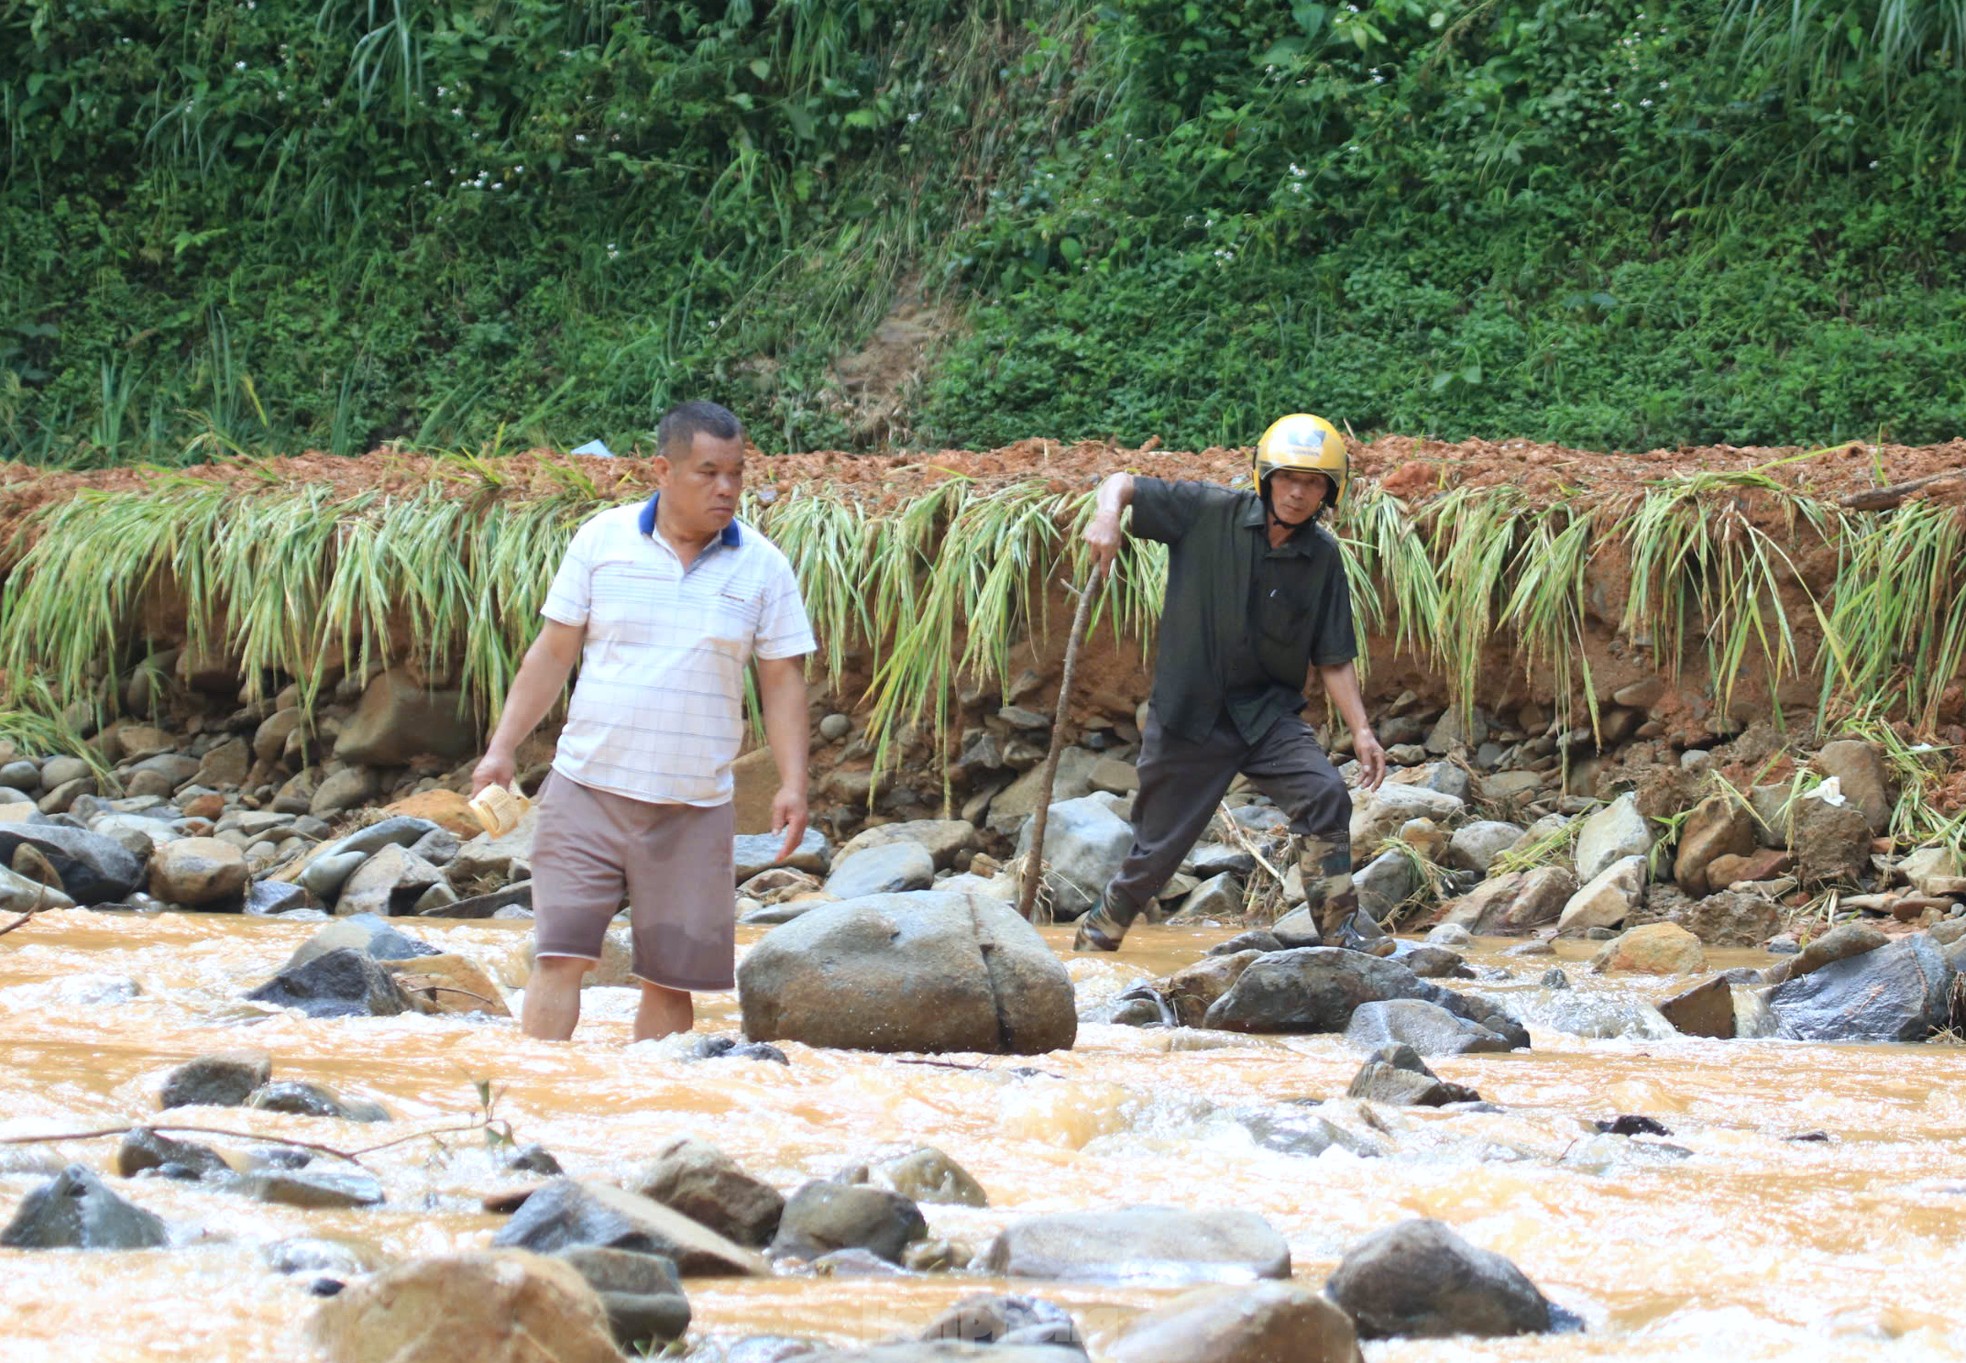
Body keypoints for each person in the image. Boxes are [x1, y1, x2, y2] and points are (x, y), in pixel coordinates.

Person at [472, 400, 816, 1041]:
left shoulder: (764, 566)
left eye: (737, 473)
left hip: (693, 808)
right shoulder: (601, 540)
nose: (726, 488)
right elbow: (551, 652)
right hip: (585, 791)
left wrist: (793, 782)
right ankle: (535, 1109)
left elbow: (782, 681)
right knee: (560, 956)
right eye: (708, 472)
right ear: (663, 469)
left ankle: (647, 1129)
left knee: (670, 980)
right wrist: (502, 749)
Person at [1071, 412, 1390, 955]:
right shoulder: (1206, 512)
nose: (1297, 493)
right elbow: (1122, 483)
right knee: (1156, 855)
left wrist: (1361, 731)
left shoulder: (1323, 559)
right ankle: (1094, 944)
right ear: (1266, 478)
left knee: (1324, 794)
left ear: (1327, 493)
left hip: (1266, 717)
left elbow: (1334, 656)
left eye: (1313, 483)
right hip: (1189, 716)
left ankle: (1342, 931)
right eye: (1289, 478)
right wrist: (1106, 518)